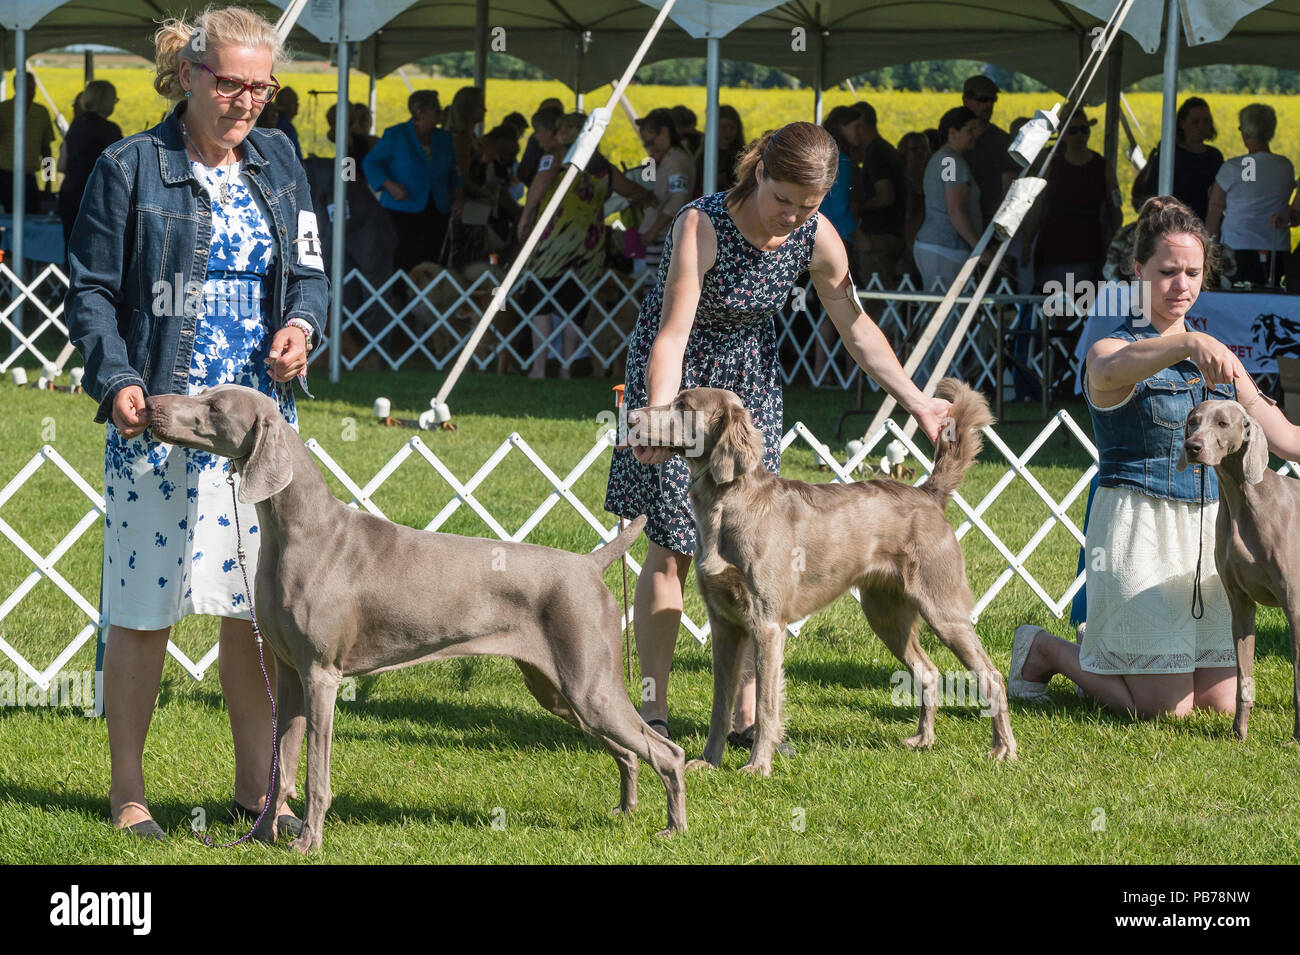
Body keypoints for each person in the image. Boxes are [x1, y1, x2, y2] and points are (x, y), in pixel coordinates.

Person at [65, 6, 327, 839]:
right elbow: (92, 292)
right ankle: (129, 792)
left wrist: (302, 326)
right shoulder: (128, 166)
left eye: (263, 87)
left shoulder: (282, 160)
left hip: (258, 432)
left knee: (257, 616)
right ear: (190, 76)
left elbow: (311, 272)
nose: (248, 101)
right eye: (232, 84)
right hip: (159, 419)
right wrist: (116, 380)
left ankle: (263, 793)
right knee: (144, 609)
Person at [604, 122, 953, 744]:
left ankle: (750, 720)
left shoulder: (817, 237)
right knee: (673, 548)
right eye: (783, 199)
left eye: (808, 206)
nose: (792, 216)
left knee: (754, 553)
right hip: (683, 390)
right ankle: (652, 712)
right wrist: (657, 421)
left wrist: (918, 402)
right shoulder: (700, 225)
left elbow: (857, 327)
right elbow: (672, 333)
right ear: (760, 171)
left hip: (749, 392)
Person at [1010, 195, 1300, 719]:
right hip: (1139, 529)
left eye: (1192, 272)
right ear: (1137, 269)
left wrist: (1202, 349)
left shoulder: (1217, 357)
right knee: (1167, 711)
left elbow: (1282, 436)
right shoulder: (1110, 348)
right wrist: (1187, 343)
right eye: (1167, 271)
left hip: (1210, 533)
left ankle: (1127, 661)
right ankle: (1043, 650)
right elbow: (1111, 371)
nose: (1181, 284)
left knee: (1220, 703)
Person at [517, 111, 651, 378]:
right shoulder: (604, 167)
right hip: (588, 249)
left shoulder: (553, 159)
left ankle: (539, 368)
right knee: (573, 309)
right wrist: (650, 198)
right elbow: (632, 191)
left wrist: (525, 216)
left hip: (551, 244)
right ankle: (566, 369)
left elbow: (539, 187)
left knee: (540, 303)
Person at [363, 89, 463, 273]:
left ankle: (428, 299)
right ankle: (399, 297)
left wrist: (457, 199)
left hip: (437, 209)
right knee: (401, 257)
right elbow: (371, 163)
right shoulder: (395, 134)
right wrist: (390, 185)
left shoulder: (445, 138)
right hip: (401, 208)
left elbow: (453, 172)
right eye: (436, 109)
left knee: (432, 258)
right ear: (420, 112)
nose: (441, 113)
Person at [1206, 103, 1294, 286]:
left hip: (1236, 250)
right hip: (1276, 250)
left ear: (1245, 133)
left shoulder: (1232, 167)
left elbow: (1215, 210)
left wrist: (1205, 249)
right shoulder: (1285, 166)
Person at [1032, 109, 1119, 292]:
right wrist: (1027, 240)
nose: (1079, 135)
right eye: (1073, 131)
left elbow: (1115, 207)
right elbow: (1037, 206)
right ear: (1062, 134)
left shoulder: (1103, 166)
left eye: (1084, 130)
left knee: (1084, 300)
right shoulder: (1052, 165)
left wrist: (1114, 242)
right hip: (1053, 243)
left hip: (1089, 243)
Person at [913, 106, 985, 290]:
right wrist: (979, 248)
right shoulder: (950, 161)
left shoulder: (944, 159)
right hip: (945, 248)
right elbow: (955, 209)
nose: (975, 134)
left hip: (935, 246)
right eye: (970, 130)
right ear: (952, 133)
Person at [1132, 96, 1224, 222]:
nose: (1202, 126)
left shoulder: (1215, 156)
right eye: (1195, 122)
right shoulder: (1169, 154)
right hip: (1173, 225)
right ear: (1182, 123)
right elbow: (1151, 193)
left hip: (1205, 224)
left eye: (1206, 121)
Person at [57, 80, 123, 248]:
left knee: (71, 251)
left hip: (71, 195)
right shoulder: (112, 130)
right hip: (98, 197)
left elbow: (61, 165)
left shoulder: (76, 125)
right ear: (107, 102)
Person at [634, 107, 695, 273]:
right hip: (661, 235)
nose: (649, 148)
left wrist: (652, 232)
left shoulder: (676, 161)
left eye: (651, 142)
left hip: (661, 238)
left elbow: (678, 200)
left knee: (654, 292)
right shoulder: (670, 157)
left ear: (664, 132)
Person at [854, 101, 907, 289]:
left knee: (878, 299)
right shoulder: (886, 148)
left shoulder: (876, 152)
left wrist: (857, 206)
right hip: (891, 233)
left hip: (878, 238)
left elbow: (885, 197)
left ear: (860, 125)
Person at [961, 75, 1017, 232]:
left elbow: (1009, 191)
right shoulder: (950, 144)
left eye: (993, 100)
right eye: (982, 99)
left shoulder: (1003, 142)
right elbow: (947, 183)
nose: (988, 105)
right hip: (956, 227)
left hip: (989, 230)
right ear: (965, 100)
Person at [0, 71, 55, 212]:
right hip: (4, 177)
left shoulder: (41, 112)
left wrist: (49, 180)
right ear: (16, 88)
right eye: (27, 89)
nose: (31, 93)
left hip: (29, 178)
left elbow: (46, 150)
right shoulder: (2, 109)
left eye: (33, 89)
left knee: (31, 217)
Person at [897, 130, 932, 282]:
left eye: (924, 149)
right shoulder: (900, 178)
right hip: (903, 239)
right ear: (904, 151)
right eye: (914, 149)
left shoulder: (931, 176)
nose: (920, 153)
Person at [694, 103, 744, 193]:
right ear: (713, 127)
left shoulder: (741, 155)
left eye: (732, 128)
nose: (728, 132)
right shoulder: (703, 154)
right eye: (723, 127)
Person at [274, 85, 302, 160]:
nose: (297, 105)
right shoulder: (286, 128)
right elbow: (296, 159)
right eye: (294, 102)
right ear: (284, 106)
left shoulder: (279, 123)